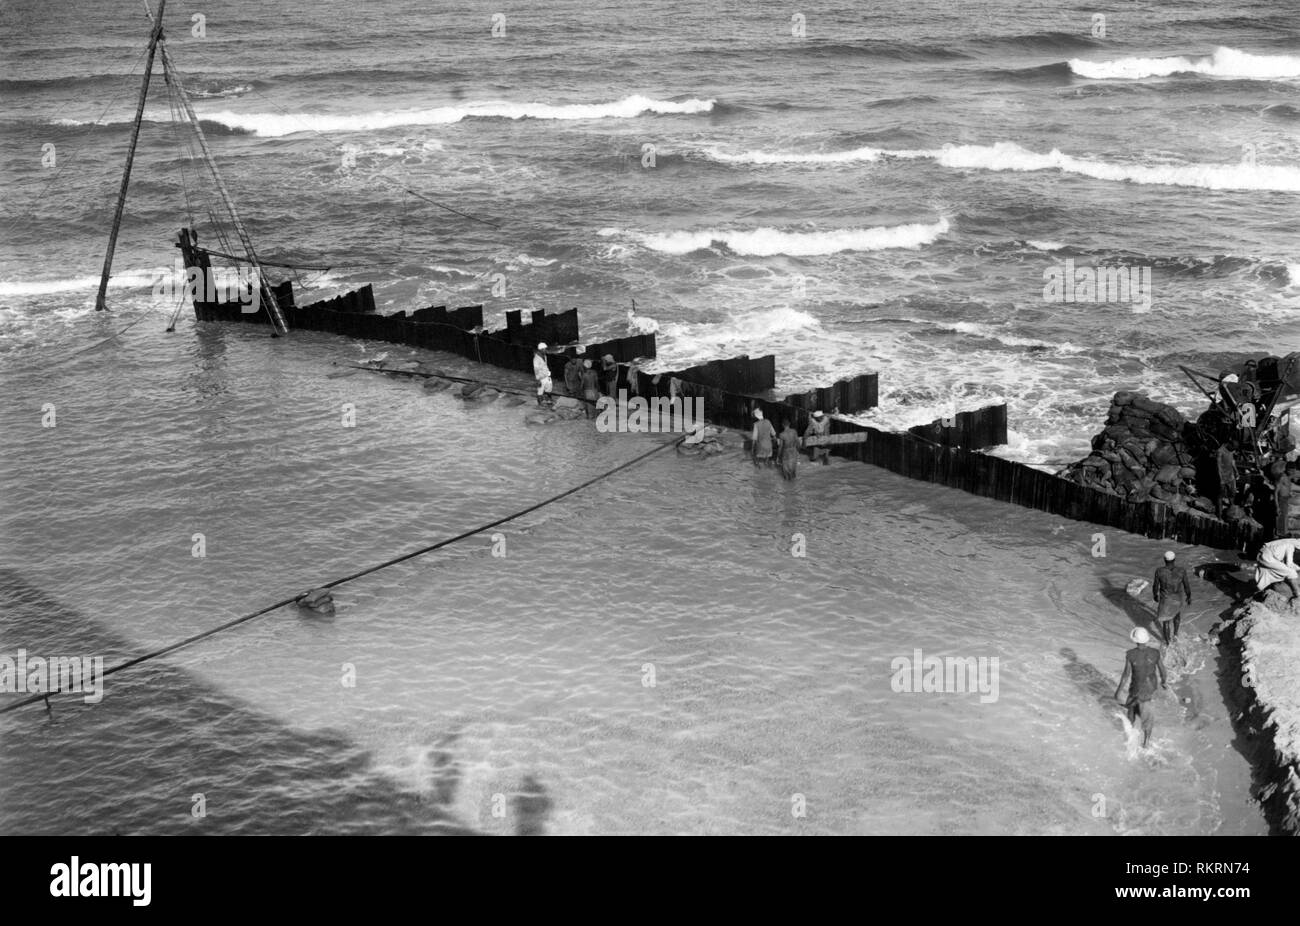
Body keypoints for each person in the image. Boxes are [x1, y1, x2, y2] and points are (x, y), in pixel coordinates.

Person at [1114, 627, 1168, 749]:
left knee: (1131, 716)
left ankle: (1130, 740)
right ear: (1146, 640)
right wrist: (1164, 682)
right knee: (1147, 720)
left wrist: (1118, 692)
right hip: (1149, 690)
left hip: (1135, 690)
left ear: (1135, 640)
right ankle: (1146, 743)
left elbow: (1125, 675)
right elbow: (1163, 671)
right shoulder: (1155, 653)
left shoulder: (1131, 654)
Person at [1151, 551, 1192, 644]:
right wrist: (1189, 596)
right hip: (1178, 598)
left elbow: (1155, 586)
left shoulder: (1159, 571)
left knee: (1166, 621)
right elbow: (1186, 585)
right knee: (1177, 616)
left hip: (1166, 599)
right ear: (1174, 559)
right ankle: (1175, 635)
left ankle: (1168, 642)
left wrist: (1155, 595)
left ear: (1164, 560)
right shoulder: (1182, 570)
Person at [1255, 535, 1300, 601]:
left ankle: (1256, 594)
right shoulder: (1290, 546)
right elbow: (1289, 564)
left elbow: (1286, 563)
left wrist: (1297, 567)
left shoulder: (1287, 542)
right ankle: (1298, 595)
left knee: (1265, 576)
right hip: (1267, 557)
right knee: (1291, 573)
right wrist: (1297, 568)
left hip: (1263, 555)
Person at [1216, 439, 1238, 517]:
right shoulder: (1220, 451)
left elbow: (1232, 461)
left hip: (1230, 476)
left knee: (1232, 494)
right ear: (1230, 444)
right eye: (1233, 448)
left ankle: (1231, 512)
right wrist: (1221, 479)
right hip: (1223, 477)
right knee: (1220, 496)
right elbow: (1218, 467)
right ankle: (1220, 515)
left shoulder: (1231, 450)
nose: (1234, 450)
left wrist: (1236, 471)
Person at [1272, 462, 1293, 539]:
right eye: (1290, 470)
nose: (1292, 472)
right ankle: (1280, 534)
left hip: (1286, 499)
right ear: (1286, 469)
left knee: (1285, 517)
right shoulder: (1282, 477)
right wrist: (1277, 506)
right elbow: (1276, 492)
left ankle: (1283, 533)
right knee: (1281, 517)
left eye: (1293, 470)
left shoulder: (1288, 477)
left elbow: (1285, 488)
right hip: (1281, 500)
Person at [532, 342, 553, 407]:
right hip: (541, 377)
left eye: (546, 349)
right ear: (540, 349)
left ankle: (548, 401)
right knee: (540, 391)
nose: (546, 350)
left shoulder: (545, 356)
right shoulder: (536, 359)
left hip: (547, 375)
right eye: (544, 349)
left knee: (549, 389)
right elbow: (536, 370)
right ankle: (540, 404)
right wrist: (538, 380)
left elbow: (545, 365)